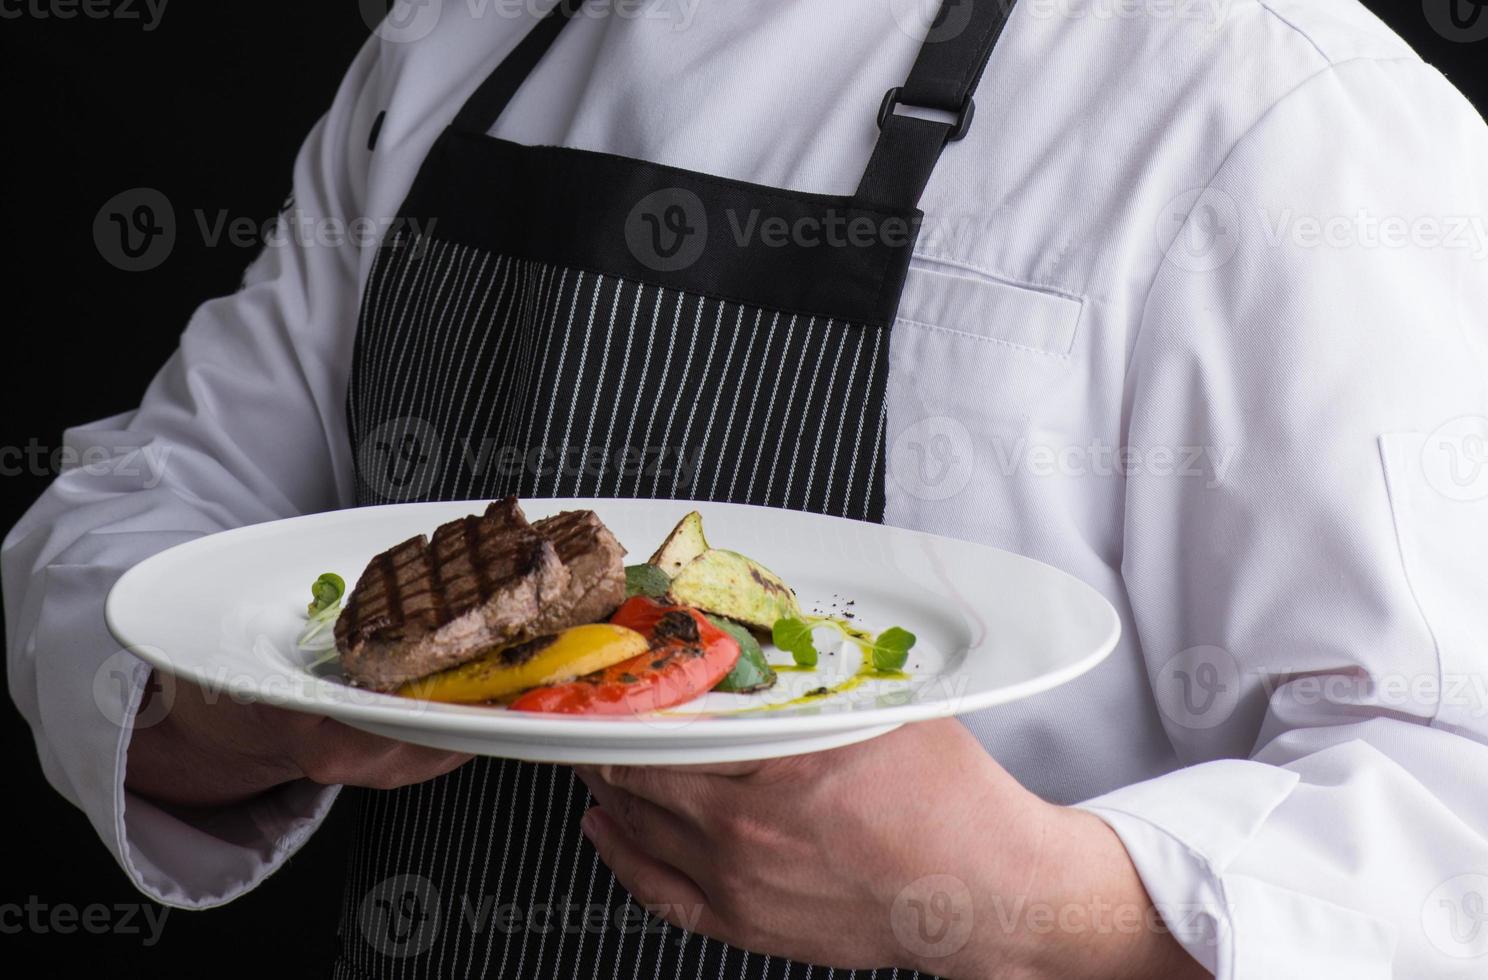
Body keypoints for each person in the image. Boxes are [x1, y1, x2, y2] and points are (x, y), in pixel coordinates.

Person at [7, 0, 1488, 976]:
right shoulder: (462, 36)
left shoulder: (1275, 111)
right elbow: (154, 519)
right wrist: (241, 704)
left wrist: (1016, 897)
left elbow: (1448, 832)